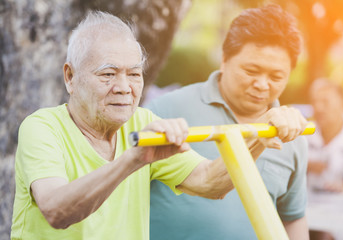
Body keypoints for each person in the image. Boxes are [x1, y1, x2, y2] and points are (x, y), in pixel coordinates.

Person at [10, 10, 307, 240]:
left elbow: (209, 183)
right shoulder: (42, 127)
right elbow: (56, 210)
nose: (124, 87)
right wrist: (132, 159)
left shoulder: (144, 121)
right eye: (108, 74)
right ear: (70, 77)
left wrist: (258, 136)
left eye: (134, 74)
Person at [147, 4, 309, 240]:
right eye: (252, 71)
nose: (263, 85)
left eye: (276, 76)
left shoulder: (291, 132)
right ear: (224, 60)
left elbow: (292, 216)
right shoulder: (165, 111)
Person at [307, 78, 343, 192]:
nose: (318, 108)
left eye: (325, 102)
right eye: (314, 102)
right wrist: (304, 165)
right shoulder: (303, 133)